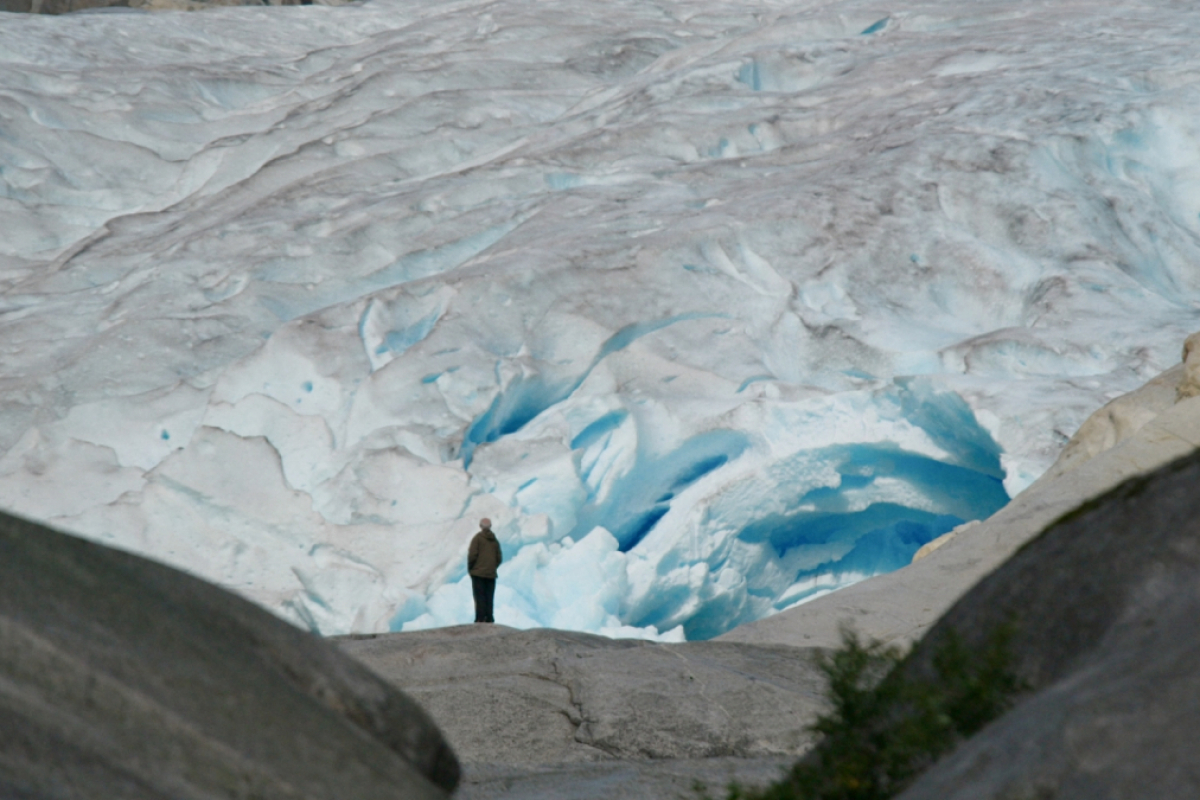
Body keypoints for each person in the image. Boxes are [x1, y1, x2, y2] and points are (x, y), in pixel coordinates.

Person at [467, 518, 502, 623]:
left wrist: (471, 568)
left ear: (480, 526)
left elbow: (472, 555)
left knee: (479, 596)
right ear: (490, 526)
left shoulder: (477, 539)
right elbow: (499, 558)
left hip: (478, 573)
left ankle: (480, 618)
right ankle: (489, 618)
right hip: (491, 574)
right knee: (489, 597)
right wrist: (492, 567)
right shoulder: (494, 541)